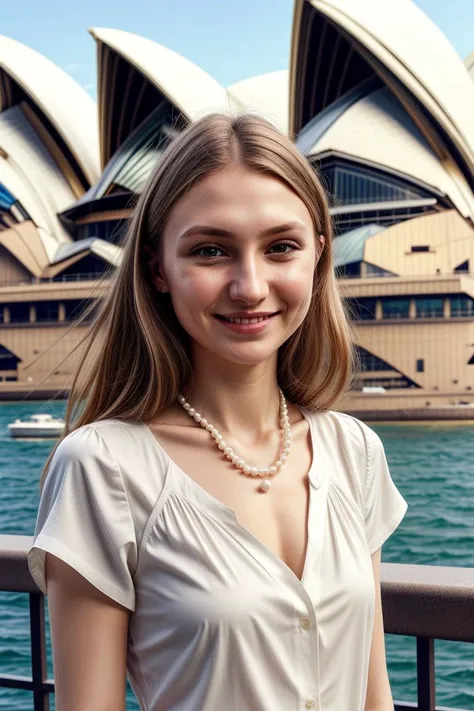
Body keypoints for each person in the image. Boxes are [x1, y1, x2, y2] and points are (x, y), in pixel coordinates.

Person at [28, 113, 407, 711]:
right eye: (211, 251)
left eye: (281, 247)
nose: (249, 285)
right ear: (159, 269)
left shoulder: (354, 449)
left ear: (317, 257)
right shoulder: (104, 468)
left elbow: (372, 696)